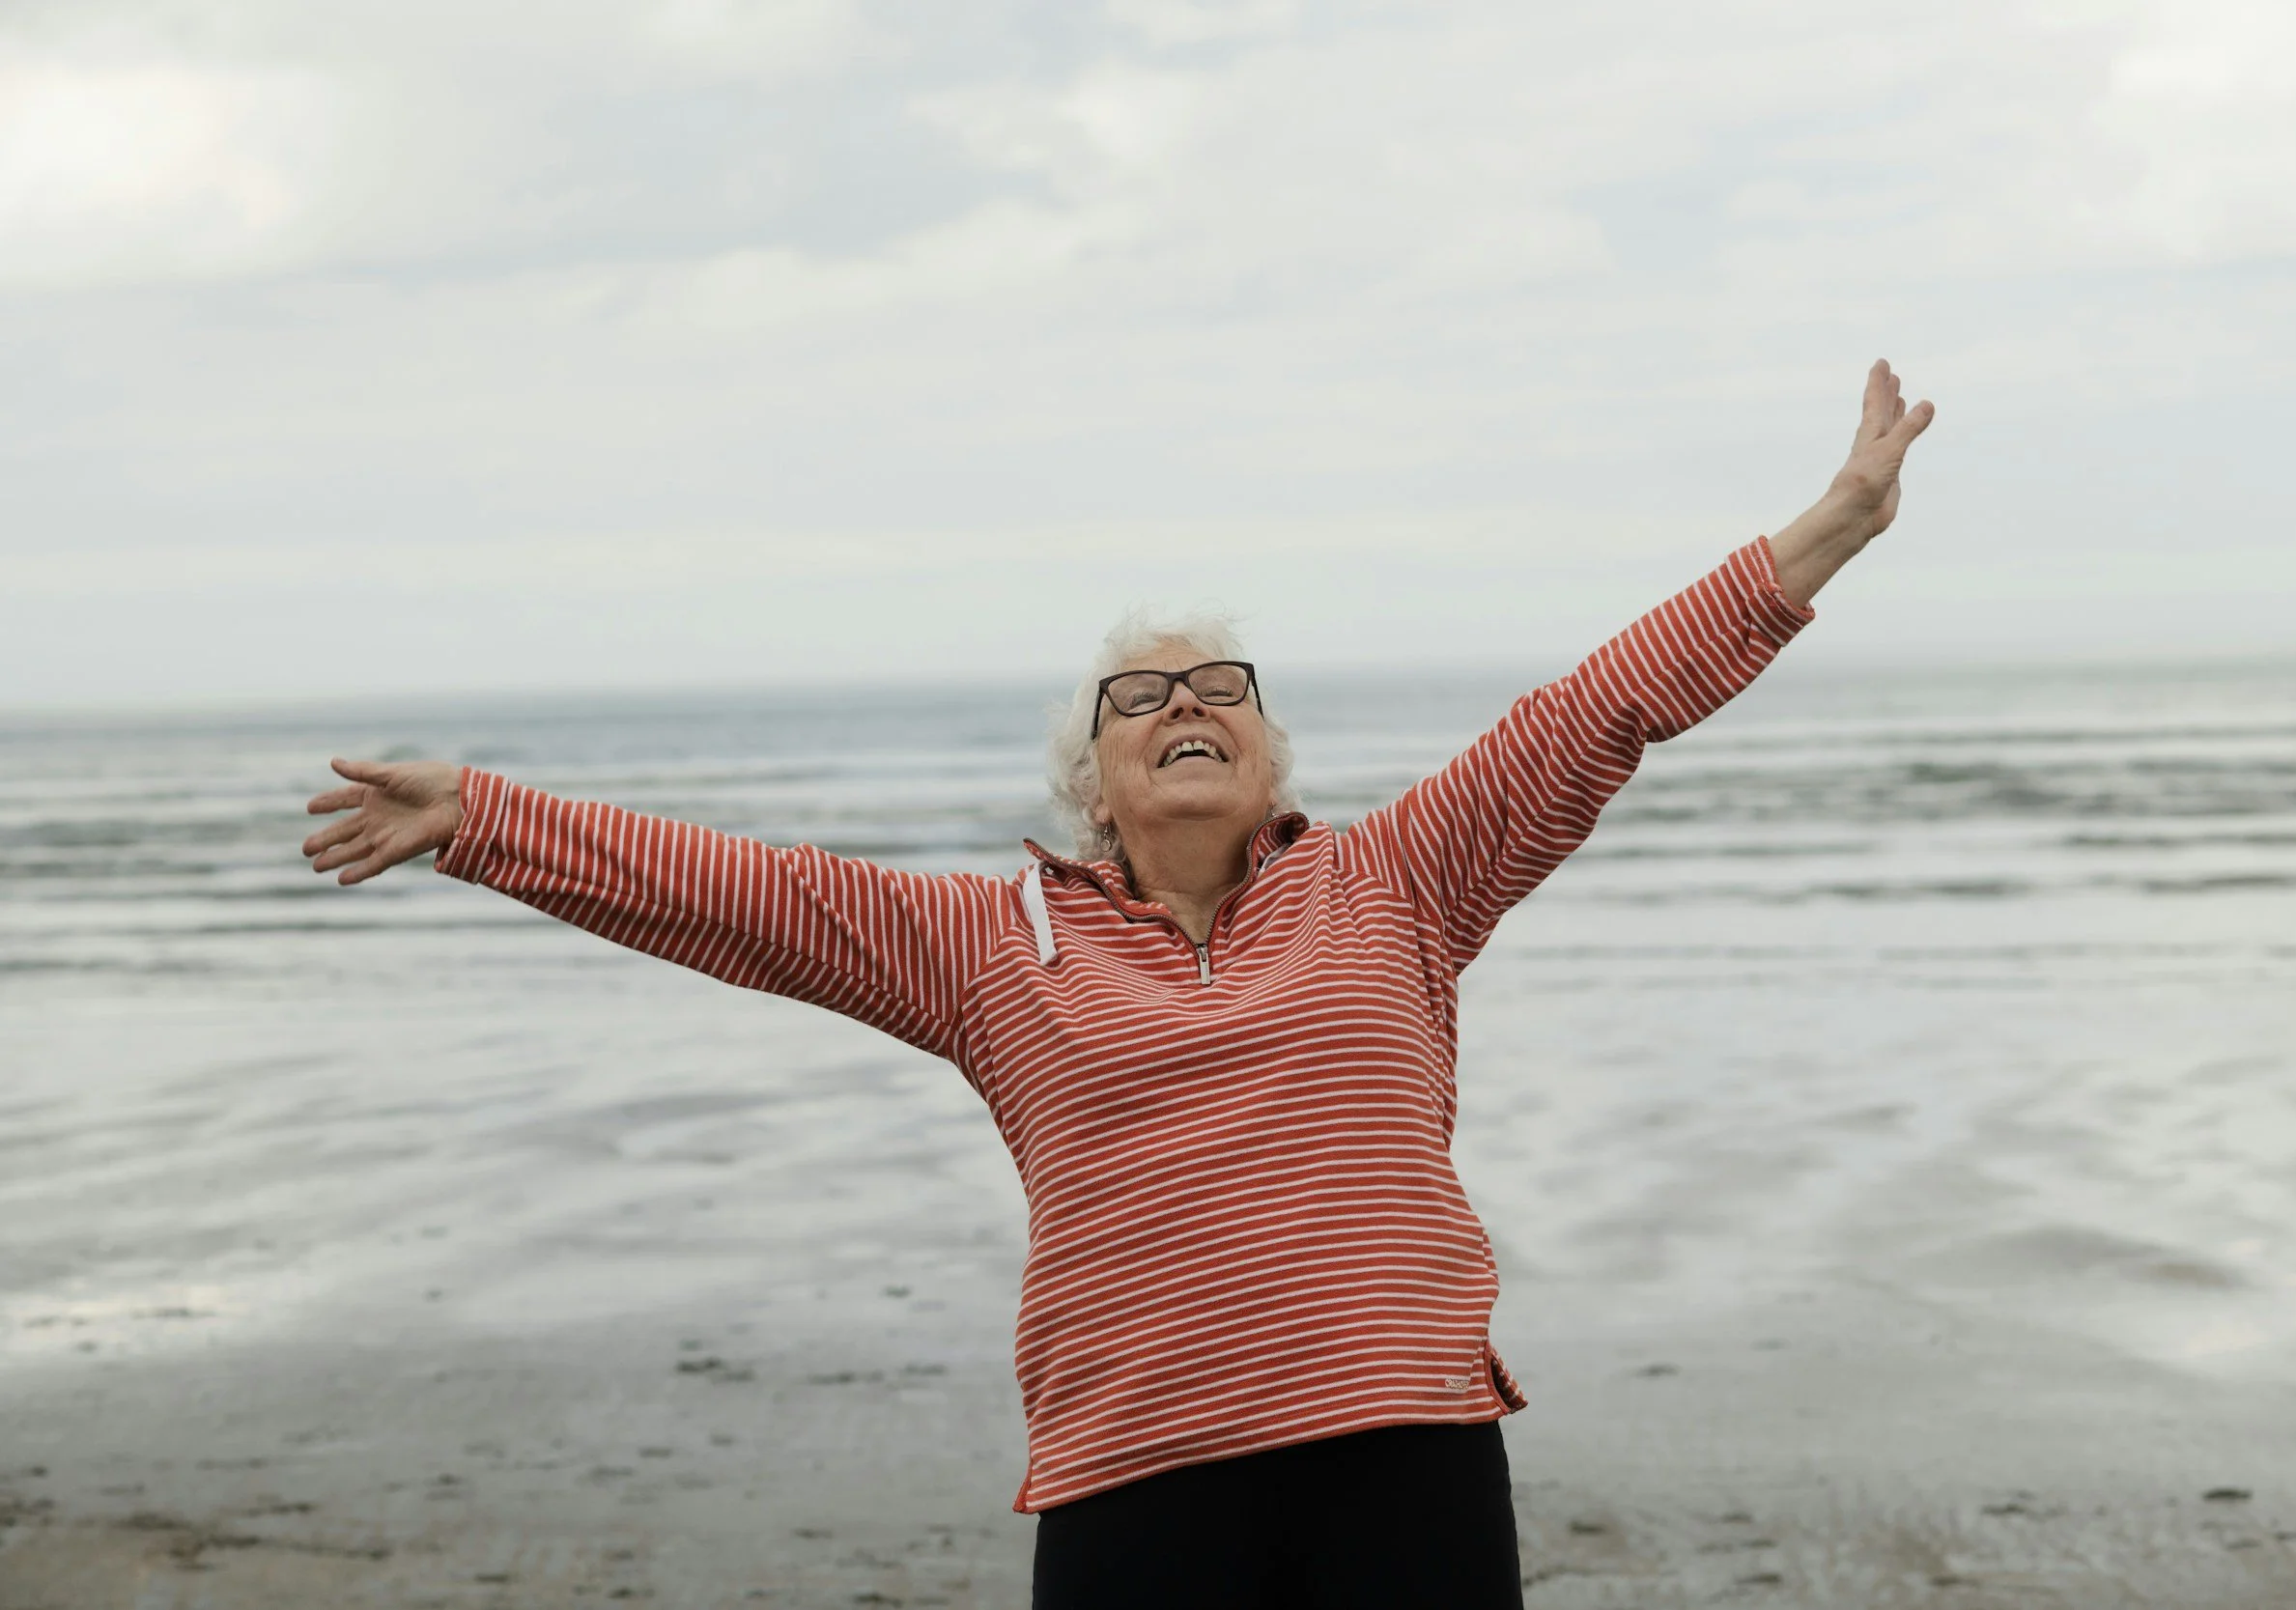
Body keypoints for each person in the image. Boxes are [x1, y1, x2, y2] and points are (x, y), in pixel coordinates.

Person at [303, 361, 1935, 1609]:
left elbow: (1599, 709)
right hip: (1136, 1466)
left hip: (1404, 1448)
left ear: (1275, 752)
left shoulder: (1402, 878)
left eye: (1220, 686)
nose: (1184, 705)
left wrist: (1828, 533)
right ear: (1093, 778)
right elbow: (748, 899)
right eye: (1139, 696)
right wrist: (485, 817)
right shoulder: (990, 944)